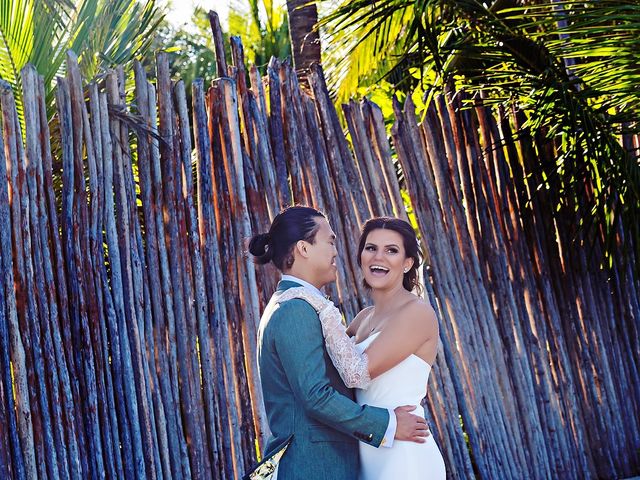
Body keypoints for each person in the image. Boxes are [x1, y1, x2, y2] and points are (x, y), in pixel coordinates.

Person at [248, 206, 430, 479]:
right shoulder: (295, 309)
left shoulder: (301, 307)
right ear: (304, 249)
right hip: (314, 466)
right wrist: (388, 424)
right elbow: (316, 396)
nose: (336, 251)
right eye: (330, 241)